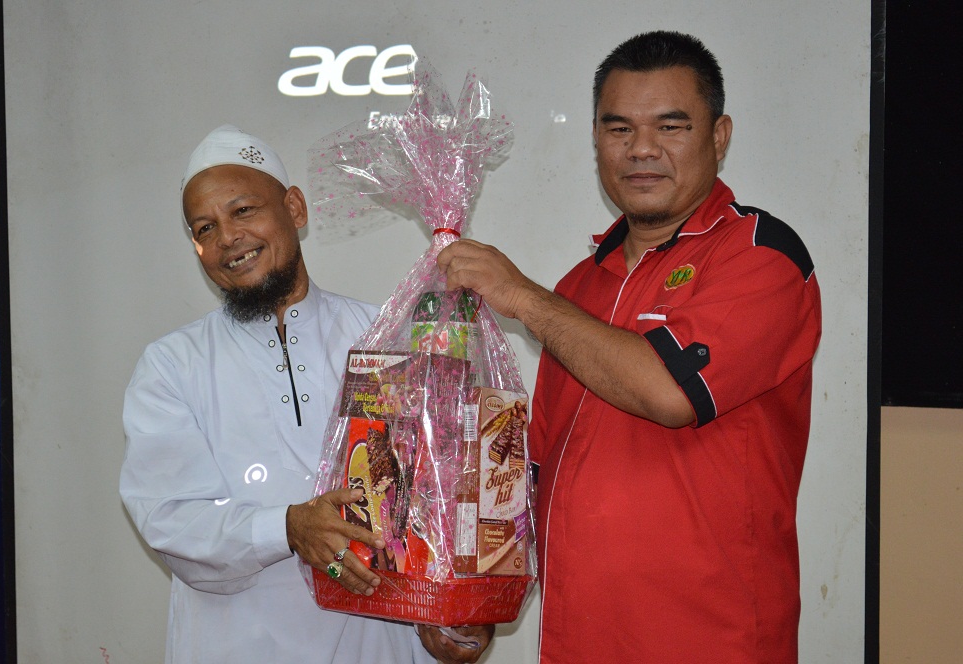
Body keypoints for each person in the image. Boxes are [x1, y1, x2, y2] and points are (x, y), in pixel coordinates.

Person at [438, 31, 822, 663]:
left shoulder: (760, 255)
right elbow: (535, 472)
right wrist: (479, 599)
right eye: (618, 129)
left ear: (719, 136)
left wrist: (522, 297)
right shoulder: (578, 288)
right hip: (577, 642)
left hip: (712, 643)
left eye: (670, 126)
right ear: (596, 140)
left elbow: (670, 392)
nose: (641, 149)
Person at [120, 125, 492, 664]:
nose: (228, 237)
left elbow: (440, 497)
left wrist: (452, 616)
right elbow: (170, 521)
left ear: (294, 208)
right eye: (205, 227)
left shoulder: (384, 338)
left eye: (243, 210)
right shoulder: (172, 366)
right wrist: (288, 527)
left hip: (377, 649)